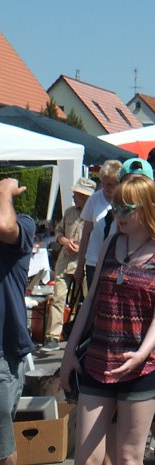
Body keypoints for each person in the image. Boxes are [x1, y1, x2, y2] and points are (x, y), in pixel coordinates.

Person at [59, 174, 155, 465]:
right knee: (86, 459)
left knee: (129, 457)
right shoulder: (111, 242)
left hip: (141, 367)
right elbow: (90, 301)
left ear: (149, 207)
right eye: (117, 207)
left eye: (128, 208)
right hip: (98, 359)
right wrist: (68, 353)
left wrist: (141, 354)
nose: (120, 214)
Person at [0, 177, 36, 465]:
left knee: (1, 446)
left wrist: (4, 191)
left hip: (3, 352)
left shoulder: (23, 223)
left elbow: (4, 226)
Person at [40, 176, 97, 352]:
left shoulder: (97, 213)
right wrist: (64, 240)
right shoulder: (70, 211)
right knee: (58, 298)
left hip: (86, 262)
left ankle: (88, 335)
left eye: (77, 194)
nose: (73, 196)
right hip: (65, 261)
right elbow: (58, 231)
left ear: (86, 196)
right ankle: (53, 337)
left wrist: (82, 248)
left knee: (89, 301)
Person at [75, 160, 122, 288]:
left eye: (111, 184)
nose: (106, 188)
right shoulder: (94, 199)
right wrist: (80, 266)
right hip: (94, 261)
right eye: (103, 183)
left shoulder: (125, 200)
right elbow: (85, 234)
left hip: (116, 262)